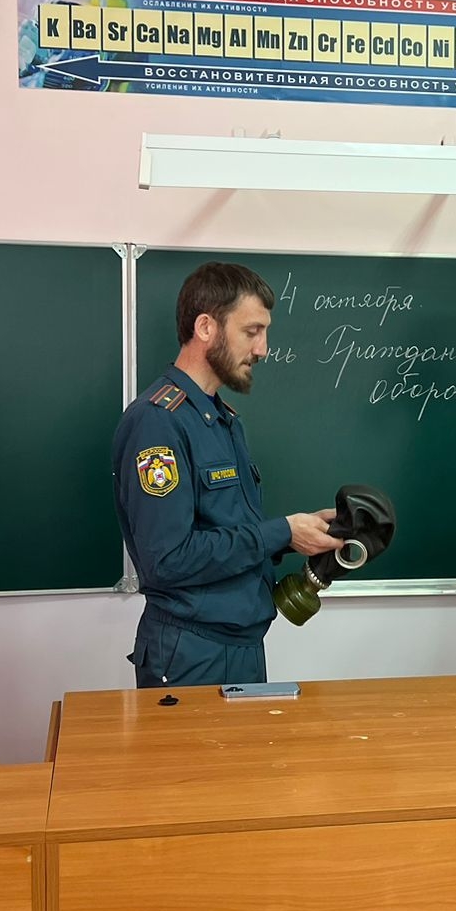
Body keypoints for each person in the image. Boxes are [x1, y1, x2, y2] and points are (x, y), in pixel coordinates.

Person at [113, 262, 341, 688]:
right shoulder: (158, 423)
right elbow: (167, 560)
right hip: (192, 653)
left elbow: (226, 531)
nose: (263, 349)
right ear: (206, 327)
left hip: (242, 646)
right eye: (252, 331)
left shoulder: (222, 420)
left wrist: (297, 535)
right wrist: (280, 532)